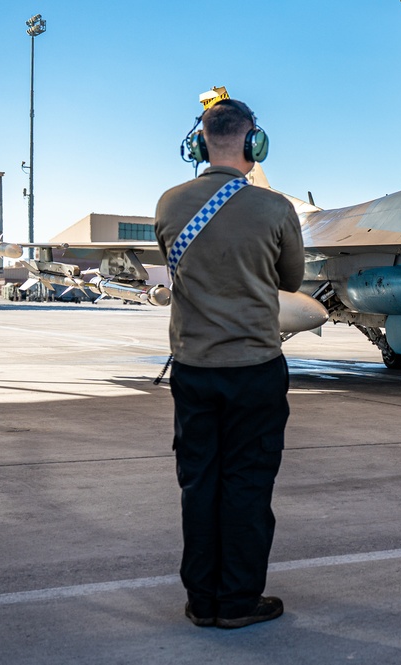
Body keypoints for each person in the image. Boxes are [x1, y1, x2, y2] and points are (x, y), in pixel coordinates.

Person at [154, 98, 305, 629]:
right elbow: (290, 280)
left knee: (199, 483)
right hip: (255, 368)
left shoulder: (170, 204)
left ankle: (202, 599)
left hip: (193, 368)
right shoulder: (276, 208)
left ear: (199, 143)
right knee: (247, 483)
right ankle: (238, 601)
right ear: (252, 144)